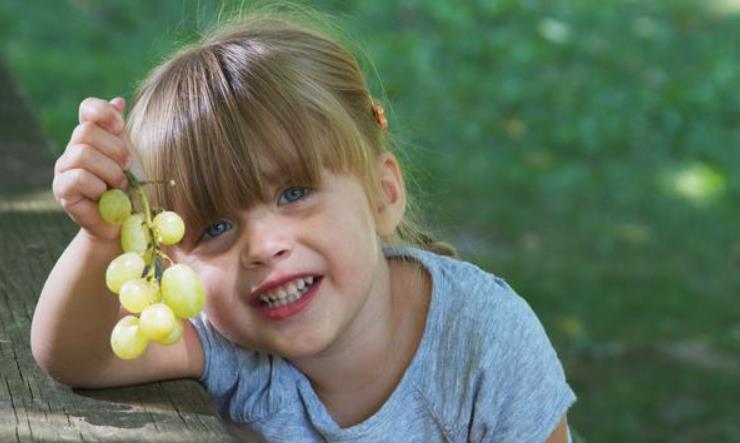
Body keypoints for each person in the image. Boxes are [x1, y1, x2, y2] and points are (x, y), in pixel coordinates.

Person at [31, 7, 576, 442]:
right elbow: (78, 357)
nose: (264, 247)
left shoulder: (484, 342)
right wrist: (101, 238)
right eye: (216, 228)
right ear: (175, 260)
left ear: (382, 194)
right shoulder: (231, 345)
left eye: (293, 193)